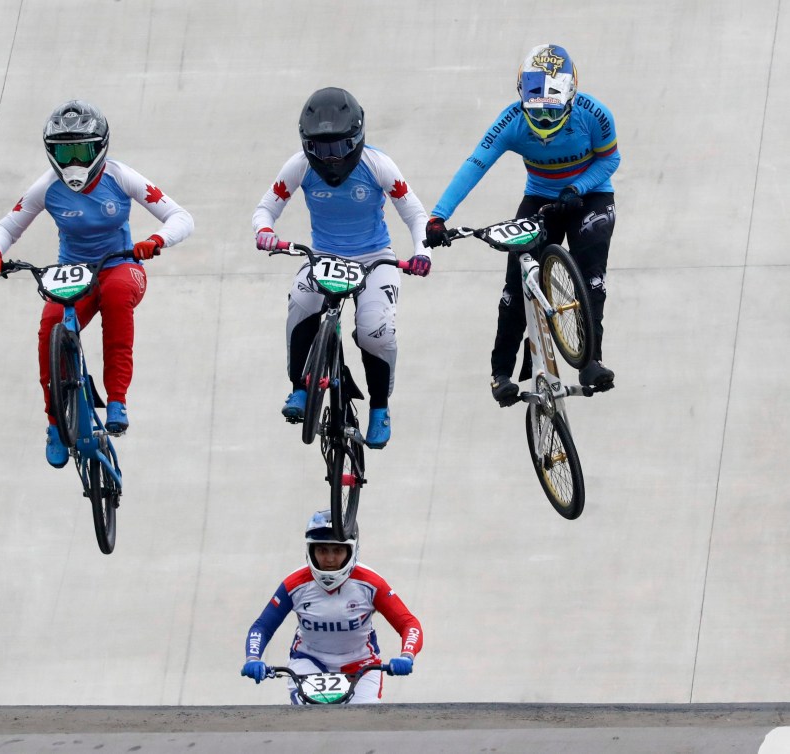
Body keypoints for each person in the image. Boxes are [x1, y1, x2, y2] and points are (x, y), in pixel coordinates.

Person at [0, 100, 194, 468]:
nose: (74, 161)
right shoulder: (46, 187)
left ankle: (116, 401)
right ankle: (54, 425)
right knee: (50, 329)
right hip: (73, 272)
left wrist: (156, 241)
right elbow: (7, 225)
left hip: (120, 265)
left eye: (82, 150)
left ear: (100, 147)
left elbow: (180, 217)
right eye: (65, 151)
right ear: (52, 154)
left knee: (115, 296)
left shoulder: (121, 176)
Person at [424, 44, 620, 405]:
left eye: (552, 111)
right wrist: (438, 216)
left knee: (592, 278)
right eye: (536, 111)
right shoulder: (511, 121)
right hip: (542, 199)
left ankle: (591, 360)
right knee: (514, 286)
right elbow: (476, 164)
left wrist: (579, 187)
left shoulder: (595, 114)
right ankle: (500, 373)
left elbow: (611, 160)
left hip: (589, 196)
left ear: (571, 98)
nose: (544, 121)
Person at [253, 87, 431, 450]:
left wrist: (422, 251)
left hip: (374, 259)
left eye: (339, 148)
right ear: (307, 145)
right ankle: (300, 389)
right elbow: (265, 209)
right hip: (323, 256)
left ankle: (379, 408)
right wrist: (265, 232)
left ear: (358, 139)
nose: (331, 159)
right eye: (321, 150)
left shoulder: (378, 165)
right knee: (301, 303)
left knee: (373, 332)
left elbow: (414, 213)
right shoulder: (299, 166)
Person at [240, 510, 423, 704]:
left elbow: (409, 623)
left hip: (361, 664)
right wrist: (253, 658)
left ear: (351, 551)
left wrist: (406, 656)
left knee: (363, 720)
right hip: (309, 660)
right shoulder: (294, 584)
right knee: (309, 718)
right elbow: (262, 626)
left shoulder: (371, 584)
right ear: (310, 551)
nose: (329, 559)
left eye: (337, 550)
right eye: (322, 550)